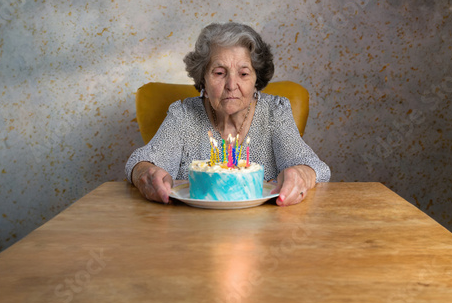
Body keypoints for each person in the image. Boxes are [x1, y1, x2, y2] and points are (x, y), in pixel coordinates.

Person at [125, 22, 330, 206]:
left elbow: (315, 167)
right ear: (203, 78)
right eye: (219, 73)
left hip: (265, 229)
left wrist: (301, 174)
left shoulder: (275, 112)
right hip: (191, 229)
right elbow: (142, 160)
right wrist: (145, 172)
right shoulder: (183, 115)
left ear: (256, 79)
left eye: (243, 73)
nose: (232, 85)